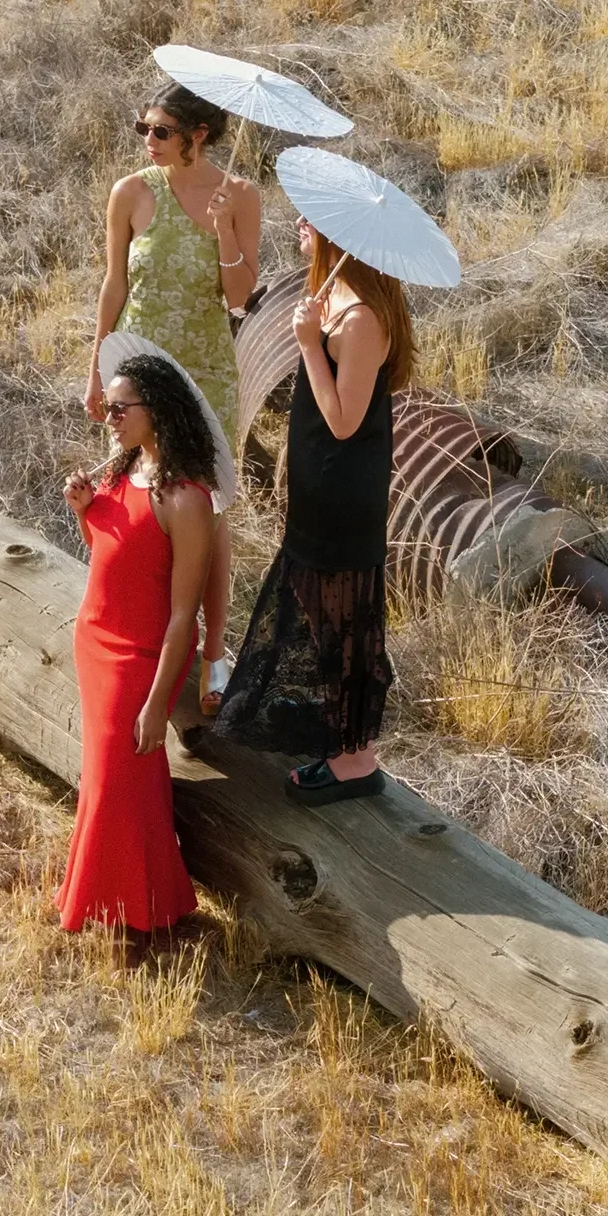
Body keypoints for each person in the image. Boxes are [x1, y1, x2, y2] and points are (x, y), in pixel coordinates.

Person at [213, 215, 411, 803]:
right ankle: (338, 728)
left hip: (343, 489)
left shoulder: (362, 318)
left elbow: (345, 421)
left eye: (312, 219)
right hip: (321, 485)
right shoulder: (336, 296)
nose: (300, 222)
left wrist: (307, 345)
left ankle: (356, 761)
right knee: (321, 604)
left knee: (343, 611)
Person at [86, 80, 260, 718]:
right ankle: (133, 629)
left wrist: (224, 236)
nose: (148, 142)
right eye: (144, 129)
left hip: (207, 375)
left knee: (207, 511)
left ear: (199, 136)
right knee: (134, 493)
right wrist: (95, 369)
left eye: (160, 131)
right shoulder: (130, 193)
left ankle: (214, 654)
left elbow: (240, 298)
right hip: (139, 375)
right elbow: (114, 283)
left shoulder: (239, 196)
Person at [56, 353, 221, 934]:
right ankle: (151, 906)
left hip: (141, 657)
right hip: (95, 641)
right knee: (126, 782)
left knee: (111, 780)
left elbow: (184, 615)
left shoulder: (187, 500)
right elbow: (112, 555)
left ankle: (122, 912)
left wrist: (156, 703)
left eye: (121, 407)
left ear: (158, 412)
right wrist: (84, 512)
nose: (110, 417)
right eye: (108, 406)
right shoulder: (118, 474)